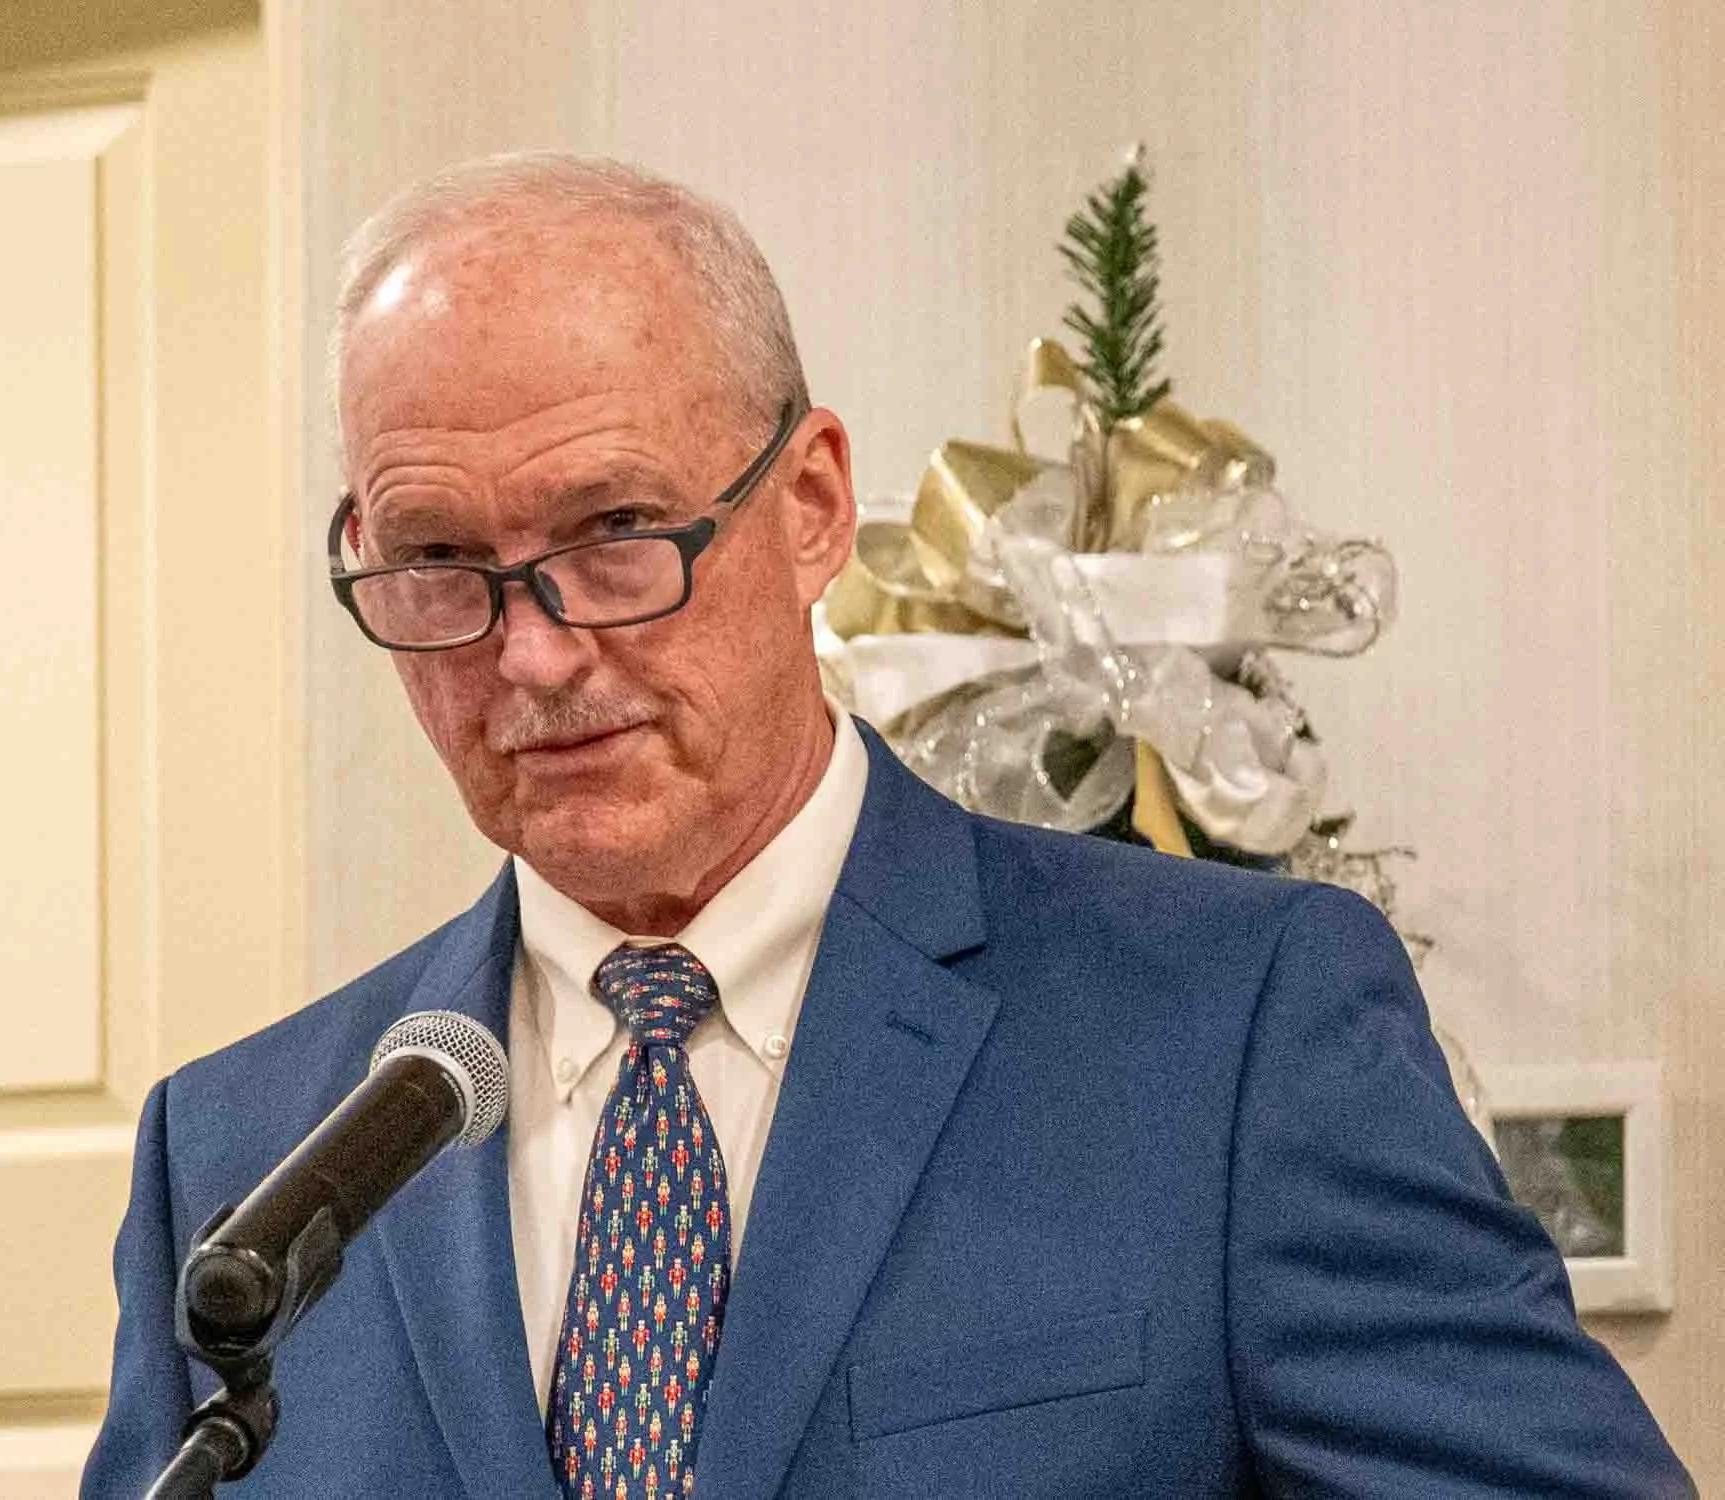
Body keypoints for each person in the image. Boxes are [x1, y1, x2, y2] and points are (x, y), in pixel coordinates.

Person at [83, 153, 1691, 1499]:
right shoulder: (242, 1163)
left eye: (620, 532)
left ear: (812, 506)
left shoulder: (1235, 1035)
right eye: (438, 559)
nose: (535, 650)